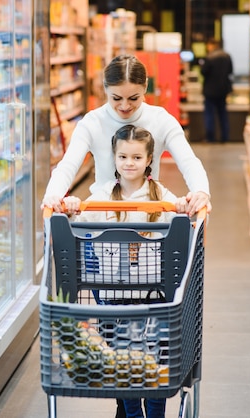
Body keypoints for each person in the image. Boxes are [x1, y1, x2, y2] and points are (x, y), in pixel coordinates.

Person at [62, 125, 188, 418]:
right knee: (123, 364)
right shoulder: (103, 194)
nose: (129, 163)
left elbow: (182, 210)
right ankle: (133, 415)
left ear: (148, 160)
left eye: (135, 157)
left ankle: (156, 413)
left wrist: (184, 204)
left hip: (154, 296)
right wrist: (70, 206)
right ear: (114, 158)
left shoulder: (162, 196)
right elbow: (79, 214)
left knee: (156, 360)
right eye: (122, 157)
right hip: (114, 297)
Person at [42, 54, 210, 217]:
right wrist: (53, 194)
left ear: (145, 86)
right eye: (116, 98)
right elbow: (68, 166)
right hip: (102, 215)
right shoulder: (92, 123)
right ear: (105, 88)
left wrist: (201, 191)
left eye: (133, 98)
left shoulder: (161, 120)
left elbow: (189, 162)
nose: (124, 105)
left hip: (148, 217)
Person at [199, 38, 234, 143]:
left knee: (209, 114)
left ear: (212, 45)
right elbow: (230, 71)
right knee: (223, 113)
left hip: (210, 90)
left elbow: (203, 72)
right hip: (223, 90)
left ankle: (210, 138)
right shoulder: (227, 56)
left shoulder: (209, 57)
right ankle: (225, 137)